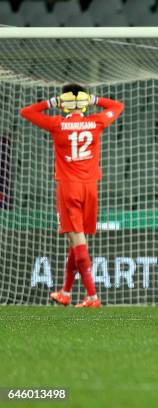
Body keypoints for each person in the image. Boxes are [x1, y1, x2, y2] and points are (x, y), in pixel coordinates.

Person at [21, 84, 124, 308]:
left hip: (69, 188)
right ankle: (66, 292)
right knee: (75, 241)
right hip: (91, 188)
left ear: (64, 101)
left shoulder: (57, 124)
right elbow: (117, 105)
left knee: (78, 241)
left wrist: (52, 103)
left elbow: (26, 112)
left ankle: (93, 296)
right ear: (83, 102)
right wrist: (93, 99)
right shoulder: (96, 122)